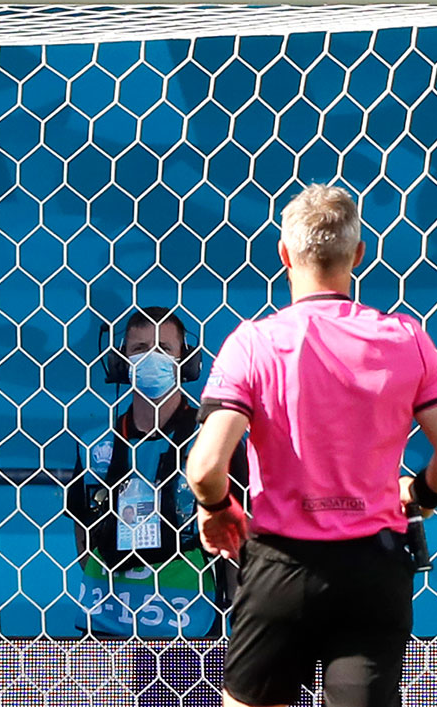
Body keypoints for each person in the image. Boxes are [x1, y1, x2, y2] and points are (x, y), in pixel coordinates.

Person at [186, 183, 437, 707]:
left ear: (283, 254)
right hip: (373, 569)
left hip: (281, 565)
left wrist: (218, 508)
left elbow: (205, 467)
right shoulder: (407, 338)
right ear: (359, 255)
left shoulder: (253, 344)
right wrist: (423, 494)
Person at [67, 307, 247, 640]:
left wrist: (241, 626)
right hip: (106, 626)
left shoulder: (214, 439)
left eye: (164, 348)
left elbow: (238, 540)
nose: (152, 358)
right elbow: (82, 536)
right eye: (140, 348)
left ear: (186, 362)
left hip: (190, 625)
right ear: (121, 361)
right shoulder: (93, 444)